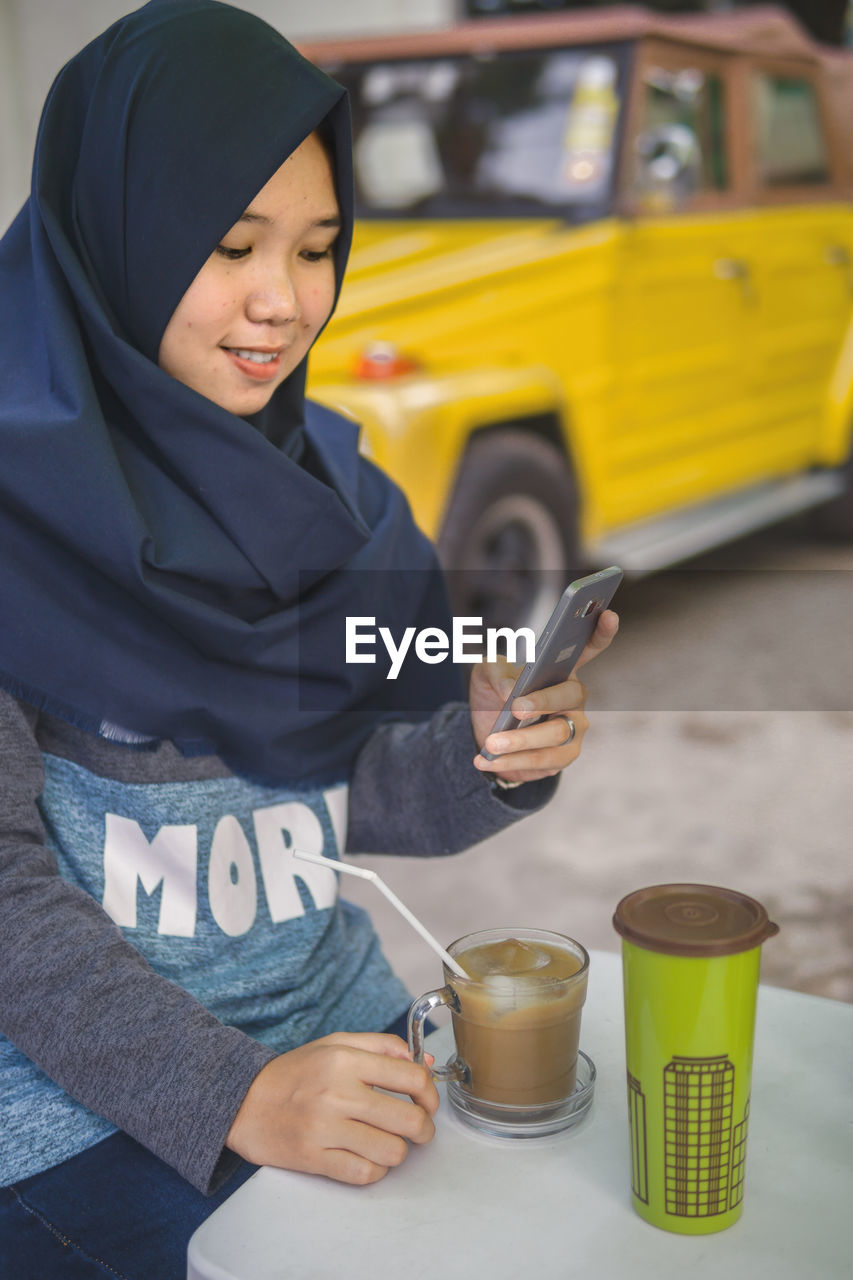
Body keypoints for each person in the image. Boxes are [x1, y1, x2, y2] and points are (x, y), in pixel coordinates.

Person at [0, 2, 617, 1276]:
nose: (282, 304)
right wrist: (233, 1091)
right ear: (112, 235)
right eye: (229, 244)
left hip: (348, 1037)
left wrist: (493, 750)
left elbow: (353, 786)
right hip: (88, 1107)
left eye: (320, 247)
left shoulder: (332, 485)